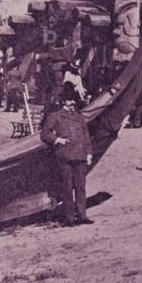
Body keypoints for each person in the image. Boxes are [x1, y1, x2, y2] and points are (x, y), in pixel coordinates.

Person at [40, 83, 94, 226]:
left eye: (74, 100)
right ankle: (69, 218)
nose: (73, 103)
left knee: (81, 187)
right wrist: (57, 140)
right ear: (64, 101)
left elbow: (86, 136)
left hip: (80, 156)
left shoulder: (79, 117)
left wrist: (89, 153)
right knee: (67, 187)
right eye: (70, 100)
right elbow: (44, 133)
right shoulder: (55, 116)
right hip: (64, 156)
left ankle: (82, 216)